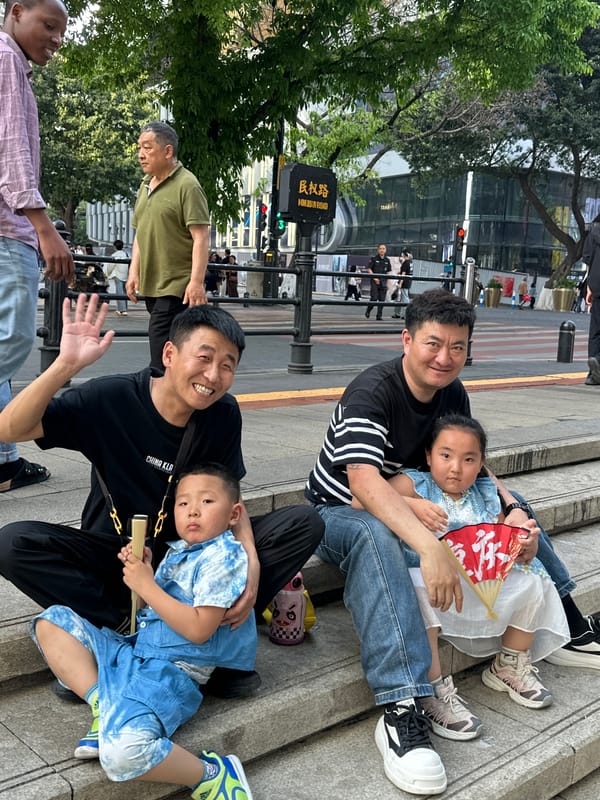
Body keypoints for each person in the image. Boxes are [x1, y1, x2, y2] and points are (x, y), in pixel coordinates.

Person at [305, 289, 600, 796]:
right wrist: (429, 545)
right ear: (407, 340)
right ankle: (402, 704)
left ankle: (569, 620)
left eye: (457, 347)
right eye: (433, 343)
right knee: (377, 536)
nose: (444, 357)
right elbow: (363, 484)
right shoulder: (372, 392)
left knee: (518, 507)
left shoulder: (452, 392)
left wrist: (509, 506)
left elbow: (471, 462)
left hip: (420, 497)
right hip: (338, 511)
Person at [0, 294, 324, 698]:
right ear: (169, 354)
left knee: (303, 523)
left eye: (227, 365)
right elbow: (9, 429)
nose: (213, 375)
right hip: (116, 558)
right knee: (13, 542)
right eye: (204, 358)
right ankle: (129, 634)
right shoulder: (112, 398)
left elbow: (231, 499)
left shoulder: (223, 414)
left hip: (190, 561)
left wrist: (251, 564)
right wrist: (65, 365)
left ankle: (205, 638)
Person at [31, 463, 255, 799]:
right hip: (137, 653)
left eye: (207, 501)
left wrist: (146, 585)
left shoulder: (224, 557)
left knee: (121, 756)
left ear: (234, 513)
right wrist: (144, 572)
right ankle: (104, 704)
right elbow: (151, 612)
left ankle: (211, 774)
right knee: (52, 621)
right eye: (183, 503)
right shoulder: (179, 552)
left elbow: (199, 630)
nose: (193, 510)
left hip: (171, 673)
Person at [386, 415, 569, 740]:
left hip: (476, 582)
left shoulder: (484, 492)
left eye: (468, 459)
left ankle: (509, 662)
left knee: (533, 576)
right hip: (433, 581)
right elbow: (364, 498)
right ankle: (432, 687)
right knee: (412, 587)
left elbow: (500, 542)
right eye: (445, 455)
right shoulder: (414, 483)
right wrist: (410, 505)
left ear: (482, 463)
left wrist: (523, 544)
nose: (455, 468)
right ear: (428, 455)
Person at [0, 0, 74, 493]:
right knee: (11, 341)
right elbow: (12, 151)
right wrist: (44, 227)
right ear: (16, 10)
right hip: (8, 232)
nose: (56, 39)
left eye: (61, 30)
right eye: (48, 25)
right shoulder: (5, 56)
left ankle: (4, 461)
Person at [126, 120, 210, 375]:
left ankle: (158, 396)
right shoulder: (145, 186)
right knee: (173, 354)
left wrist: (196, 282)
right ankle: (184, 394)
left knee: (159, 355)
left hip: (177, 286)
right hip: (153, 283)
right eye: (139, 148)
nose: (141, 154)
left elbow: (201, 236)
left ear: (168, 151)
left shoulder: (187, 185)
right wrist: (133, 271)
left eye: (147, 147)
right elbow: (141, 233)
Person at [583, 214, 600, 385]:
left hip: (597, 284)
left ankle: (592, 374)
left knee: (595, 330)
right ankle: (598, 363)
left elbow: (587, 258)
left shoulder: (594, 232)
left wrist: (589, 286)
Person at [365, 243, 392, 320]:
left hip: (383, 282)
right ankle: (368, 310)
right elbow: (369, 269)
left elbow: (388, 272)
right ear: (378, 250)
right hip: (375, 281)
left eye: (383, 249)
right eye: (380, 248)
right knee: (374, 298)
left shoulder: (387, 260)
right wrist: (375, 278)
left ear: (385, 250)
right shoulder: (374, 258)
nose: (382, 250)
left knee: (382, 299)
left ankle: (379, 316)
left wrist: (388, 283)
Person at [107, 239, 129, 315]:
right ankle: (125, 308)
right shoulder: (125, 254)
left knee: (119, 292)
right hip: (125, 275)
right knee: (124, 292)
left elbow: (110, 266)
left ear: (114, 247)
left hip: (118, 275)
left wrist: (108, 273)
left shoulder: (114, 255)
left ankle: (122, 310)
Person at [392, 249, 413, 319]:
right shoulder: (410, 263)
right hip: (408, 282)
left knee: (404, 298)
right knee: (400, 298)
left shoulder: (405, 263)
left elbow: (403, 274)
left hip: (404, 283)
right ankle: (397, 313)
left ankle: (405, 314)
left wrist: (400, 283)